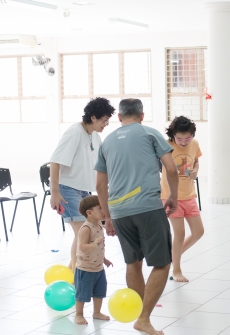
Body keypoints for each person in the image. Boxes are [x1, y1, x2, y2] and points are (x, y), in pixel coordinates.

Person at [95, 98, 179, 335]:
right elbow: (171, 169)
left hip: (120, 212)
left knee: (133, 262)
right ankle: (143, 318)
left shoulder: (107, 142)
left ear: (119, 118)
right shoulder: (150, 134)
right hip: (148, 208)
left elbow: (100, 184)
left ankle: (140, 314)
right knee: (162, 263)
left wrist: (107, 217)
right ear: (142, 116)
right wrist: (173, 196)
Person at [49, 97, 115, 271]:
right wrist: (54, 191)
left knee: (90, 231)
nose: (106, 124)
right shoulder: (74, 132)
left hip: (84, 191)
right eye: (104, 120)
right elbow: (55, 161)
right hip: (67, 189)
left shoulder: (94, 135)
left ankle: (72, 272)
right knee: (82, 234)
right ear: (93, 118)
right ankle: (76, 275)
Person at [161, 116, 204, 283]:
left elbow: (196, 161)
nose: (184, 142)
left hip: (189, 195)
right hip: (171, 196)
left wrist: (196, 171)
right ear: (173, 135)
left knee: (198, 232)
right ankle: (177, 269)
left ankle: (173, 258)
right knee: (179, 234)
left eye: (188, 138)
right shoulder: (166, 145)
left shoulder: (195, 144)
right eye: (180, 138)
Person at [74, 195, 113, 325]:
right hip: (85, 268)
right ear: (89, 213)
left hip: (98, 268)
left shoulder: (99, 226)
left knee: (100, 291)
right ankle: (79, 314)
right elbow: (82, 247)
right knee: (82, 293)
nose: (104, 210)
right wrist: (94, 244)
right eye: (100, 208)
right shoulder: (86, 228)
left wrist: (104, 259)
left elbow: (100, 247)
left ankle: (97, 312)